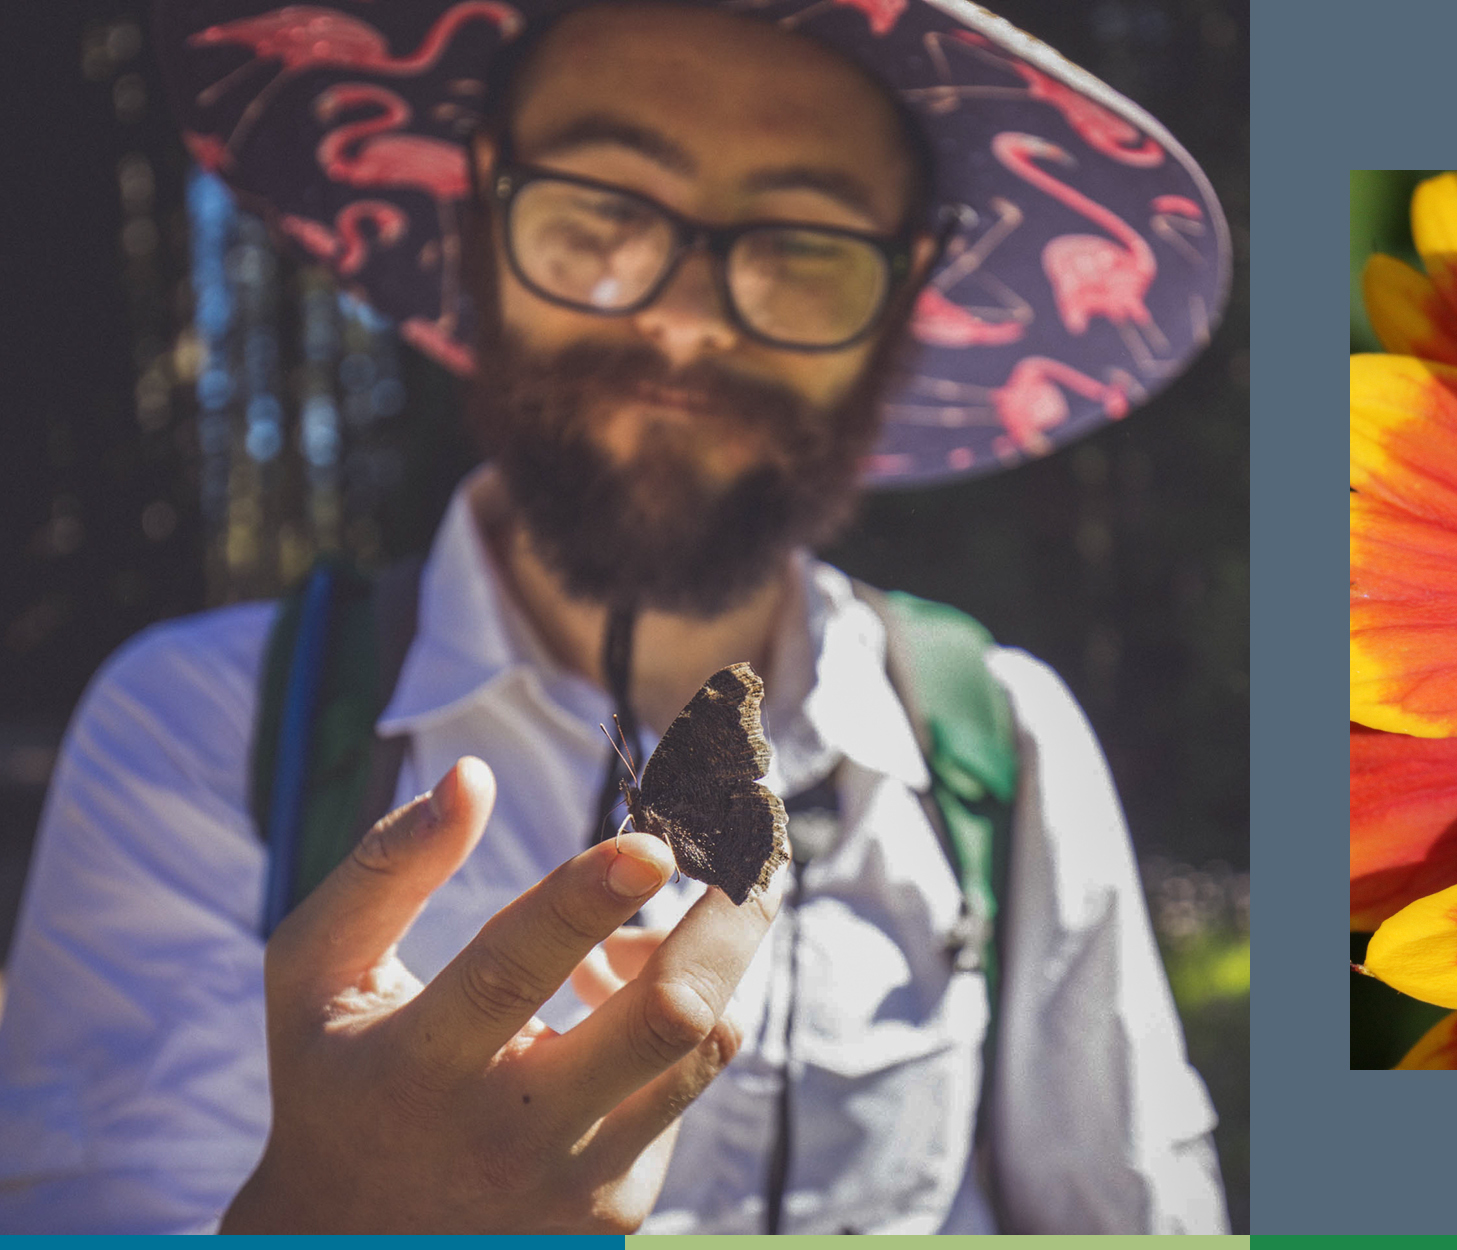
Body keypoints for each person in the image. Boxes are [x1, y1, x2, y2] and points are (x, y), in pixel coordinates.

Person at [0, 0, 1231, 1233]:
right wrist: (317, 1214)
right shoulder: (203, 731)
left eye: (804, 241)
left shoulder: (1000, 738)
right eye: (602, 208)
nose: (685, 317)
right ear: (484, 211)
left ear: (904, 285)